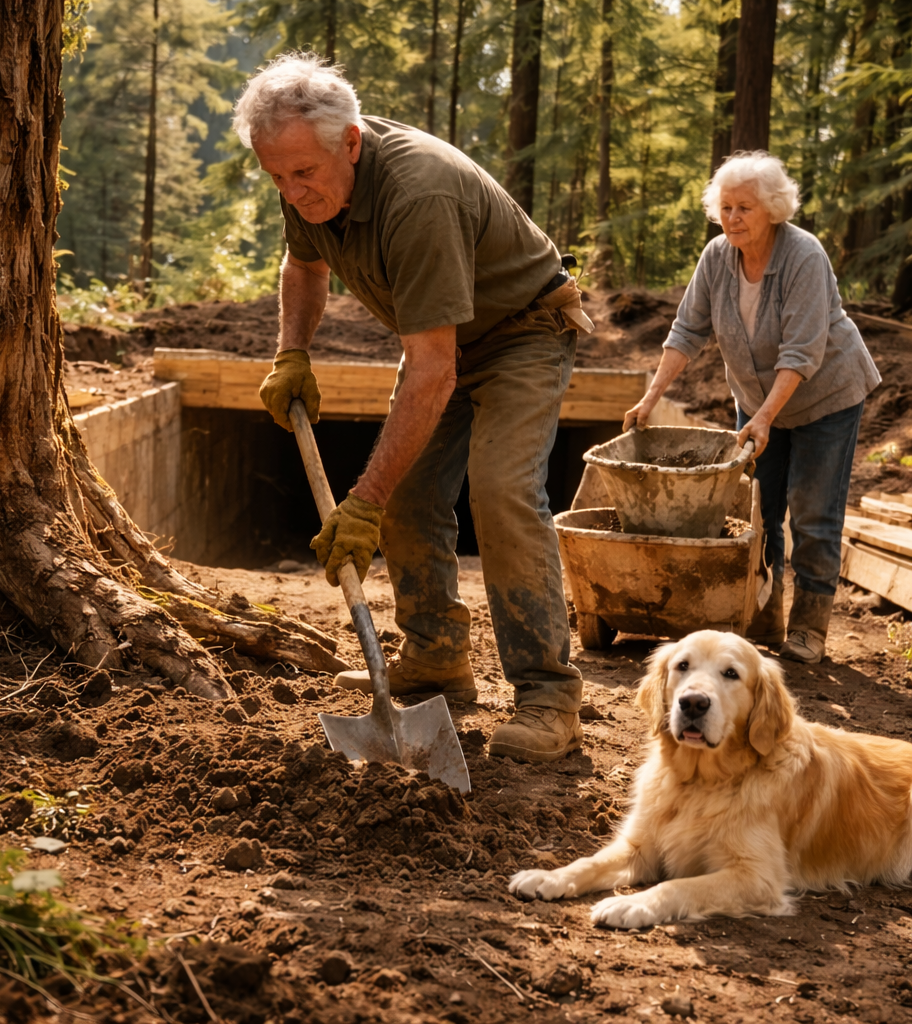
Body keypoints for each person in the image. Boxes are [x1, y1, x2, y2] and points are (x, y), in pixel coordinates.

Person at [234, 53, 593, 761]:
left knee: (501, 491)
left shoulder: (418, 197)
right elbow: (303, 263)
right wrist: (291, 354)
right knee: (408, 493)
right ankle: (435, 660)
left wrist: (361, 501)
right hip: (444, 337)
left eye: (303, 173)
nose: (293, 191)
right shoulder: (301, 168)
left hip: (522, 330)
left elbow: (433, 373)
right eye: (277, 176)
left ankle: (549, 695)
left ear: (353, 143)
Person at [624, 152, 880, 665]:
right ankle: (765, 615)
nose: (733, 217)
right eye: (725, 207)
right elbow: (686, 330)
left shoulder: (803, 256)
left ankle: (809, 627)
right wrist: (651, 396)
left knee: (814, 512)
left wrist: (765, 417)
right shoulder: (717, 257)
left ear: (773, 209)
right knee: (759, 514)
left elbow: (802, 351)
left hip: (824, 397)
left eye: (744, 207)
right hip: (757, 401)